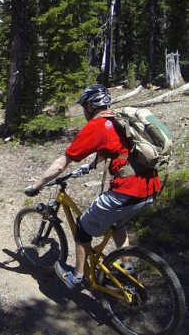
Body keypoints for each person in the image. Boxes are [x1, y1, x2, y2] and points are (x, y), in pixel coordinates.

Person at [24, 84, 161, 290]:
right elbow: (114, 149)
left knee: (82, 227)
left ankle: (77, 277)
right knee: (117, 225)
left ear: (89, 106)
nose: (83, 111)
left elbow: (62, 163)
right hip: (150, 187)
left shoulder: (95, 126)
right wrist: (87, 167)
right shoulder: (117, 120)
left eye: (83, 107)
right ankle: (128, 271)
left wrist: (37, 185)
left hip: (127, 190)